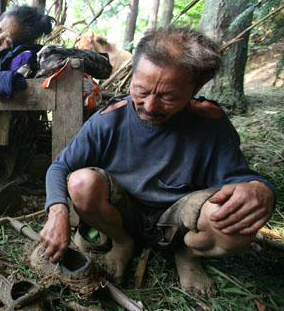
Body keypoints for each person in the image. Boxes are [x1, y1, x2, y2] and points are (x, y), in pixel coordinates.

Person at [39, 27, 276, 295]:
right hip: (122, 213)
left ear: (194, 89)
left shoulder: (210, 123)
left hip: (179, 219)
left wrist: (261, 189)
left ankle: (187, 254)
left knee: (237, 225)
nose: (149, 106)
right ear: (132, 77)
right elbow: (60, 167)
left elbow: (239, 177)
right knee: (81, 182)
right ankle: (121, 243)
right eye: (141, 90)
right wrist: (57, 211)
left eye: (168, 96)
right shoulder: (110, 120)